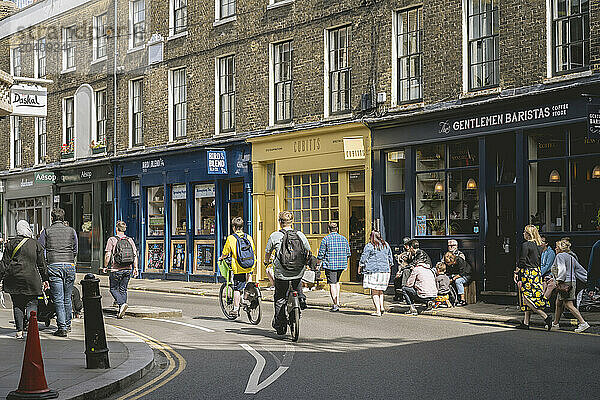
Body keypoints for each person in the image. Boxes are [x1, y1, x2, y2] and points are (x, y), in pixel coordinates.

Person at [264, 211, 311, 335]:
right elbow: (308, 249)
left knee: (280, 297)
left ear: (280, 222)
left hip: (281, 272)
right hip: (298, 270)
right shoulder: (300, 234)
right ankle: (301, 299)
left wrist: (266, 261)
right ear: (292, 221)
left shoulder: (274, 236)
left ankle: (280, 325)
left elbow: (268, 252)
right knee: (296, 283)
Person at [0, 221, 48, 339]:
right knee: (32, 303)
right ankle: (31, 329)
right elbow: (42, 264)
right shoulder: (35, 244)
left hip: (13, 279)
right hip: (31, 279)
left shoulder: (10, 244)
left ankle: (19, 331)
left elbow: (4, 263)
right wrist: (45, 279)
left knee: (17, 304)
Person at [39, 208, 78, 337]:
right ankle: (68, 324)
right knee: (67, 298)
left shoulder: (47, 231)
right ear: (63, 217)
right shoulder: (71, 231)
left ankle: (62, 328)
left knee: (58, 299)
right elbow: (75, 250)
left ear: (52, 218)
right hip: (69, 265)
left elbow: (41, 250)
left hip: (54, 265)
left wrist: (46, 262)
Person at [513, 225, 552, 330]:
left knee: (527, 299)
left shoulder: (526, 245)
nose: (523, 234)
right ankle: (526, 323)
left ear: (528, 234)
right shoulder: (539, 245)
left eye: (524, 232)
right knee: (531, 296)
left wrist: (516, 271)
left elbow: (522, 261)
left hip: (528, 273)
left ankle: (546, 317)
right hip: (536, 273)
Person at [218, 217, 256, 318]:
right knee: (247, 282)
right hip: (250, 265)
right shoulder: (248, 237)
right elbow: (253, 250)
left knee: (237, 289)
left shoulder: (231, 238)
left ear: (234, 227)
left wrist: (221, 258)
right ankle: (249, 296)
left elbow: (225, 253)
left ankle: (235, 309)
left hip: (239, 267)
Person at [550, 239, 589, 333]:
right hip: (571, 282)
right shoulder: (571, 257)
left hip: (564, 283)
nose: (555, 249)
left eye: (556, 247)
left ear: (560, 248)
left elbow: (562, 270)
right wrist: (588, 280)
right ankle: (555, 323)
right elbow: (580, 270)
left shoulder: (560, 256)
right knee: (559, 303)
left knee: (568, 304)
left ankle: (583, 323)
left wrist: (559, 281)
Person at [103, 221, 138, 319]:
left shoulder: (112, 239)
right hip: (128, 269)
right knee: (123, 289)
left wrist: (105, 266)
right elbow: (135, 255)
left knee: (113, 288)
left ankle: (122, 304)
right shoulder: (130, 240)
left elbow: (108, 255)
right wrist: (135, 268)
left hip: (116, 269)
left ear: (116, 229)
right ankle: (121, 310)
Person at [317, 222, 351, 312]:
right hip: (341, 264)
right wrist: (346, 264)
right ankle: (337, 301)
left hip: (330, 264)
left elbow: (321, 254)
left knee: (332, 284)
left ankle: (335, 304)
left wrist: (318, 264)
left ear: (329, 229)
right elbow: (348, 253)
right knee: (337, 282)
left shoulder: (326, 239)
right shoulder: (343, 239)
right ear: (337, 229)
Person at [359, 231, 393, 316]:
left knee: (374, 291)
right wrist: (389, 267)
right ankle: (381, 307)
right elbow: (390, 257)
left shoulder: (370, 246)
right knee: (380, 290)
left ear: (371, 237)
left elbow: (364, 257)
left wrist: (360, 266)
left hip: (373, 271)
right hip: (385, 271)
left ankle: (378, 311)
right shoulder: (386, 245)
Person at [393, 237, 412, 301]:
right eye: (404, 244)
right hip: (403, 269)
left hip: (410, 270)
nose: (406, 246)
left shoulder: (413, 252)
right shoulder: (403, 251)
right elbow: (401, 263)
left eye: (407, 244)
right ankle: (398, 296)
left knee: (405, 273)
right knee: (396, 279)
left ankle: (405, 293)